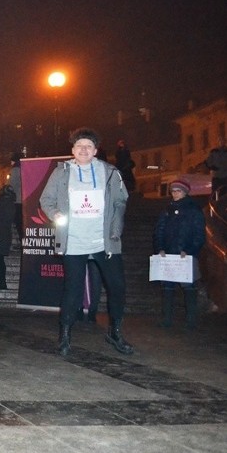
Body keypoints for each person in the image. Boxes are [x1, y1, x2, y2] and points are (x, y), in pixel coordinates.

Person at [40, 127, 134, 356]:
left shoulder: (110, 172)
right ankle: (64, 334)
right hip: (74, 241)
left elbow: (121, 201)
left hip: (105, 241)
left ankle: (115, 331)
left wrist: (115, 228)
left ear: (95, 151)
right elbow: (46, 199)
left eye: (88, 147)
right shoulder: (61, 172)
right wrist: (56, 215)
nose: (83, 150)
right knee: (72, 290)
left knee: (117, 286)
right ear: (72, 150)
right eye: (79, 146)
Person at [153, 179, 205, 330]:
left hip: (186, 257)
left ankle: (191, 321)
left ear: (185, 192)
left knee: (189, 287)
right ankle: (167, 319)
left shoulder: (194, 210)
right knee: (168, 288)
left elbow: (199, 234)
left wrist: (189, 250)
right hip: (168, 255)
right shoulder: (167, 209)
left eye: (178, 191)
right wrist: (160, 247)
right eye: (173, 191)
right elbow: (159, 230)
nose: (175, 194)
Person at [8, 152, 23, 244]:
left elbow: (12, 185)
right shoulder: (25, 168)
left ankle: (22, 241)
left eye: (11, 161)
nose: (10, 163)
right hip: (25, 199)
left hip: (17, 200)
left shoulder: (15, 170)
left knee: (18, 222)